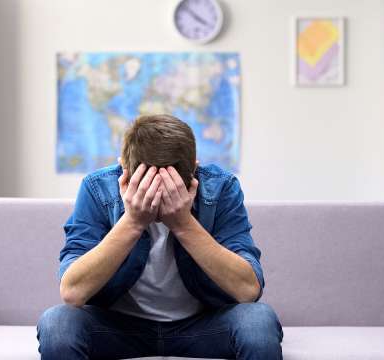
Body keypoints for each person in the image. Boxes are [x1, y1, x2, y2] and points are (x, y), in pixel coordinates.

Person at [37, 114, 282, 359]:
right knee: (58, 323)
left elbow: (248, 289)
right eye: (145, 185)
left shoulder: (221, 188)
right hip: (118, 328)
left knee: (258, 321)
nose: (156, 199)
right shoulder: (97, 188)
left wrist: (184, 224)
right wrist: (133, 222)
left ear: (194, 170)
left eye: (172, 187)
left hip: (202, 326)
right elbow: (72, 291)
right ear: (123, 169)